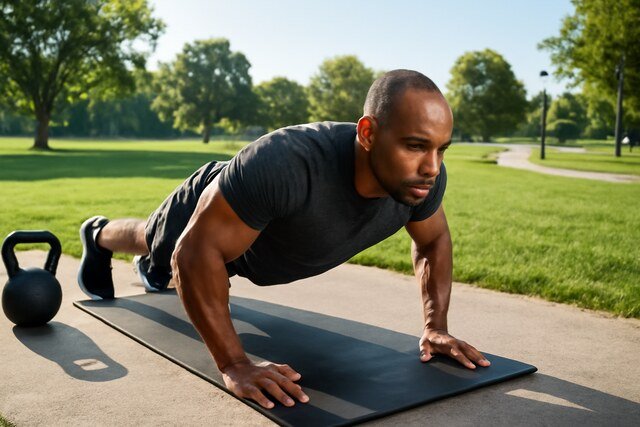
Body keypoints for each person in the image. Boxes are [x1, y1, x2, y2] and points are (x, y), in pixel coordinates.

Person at [77, 69, 490, 410]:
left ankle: (160, 274)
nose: (432, 167)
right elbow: (194, 253)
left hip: (261, 240)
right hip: (218, 207)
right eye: (416, 146)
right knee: (154, 241)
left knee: (199, 267)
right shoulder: (287, 163)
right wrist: (235, 364)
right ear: (367, 133)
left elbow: (434, 242)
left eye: (442, 149)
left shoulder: (420, 182)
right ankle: (97, 235)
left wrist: (436, 326)